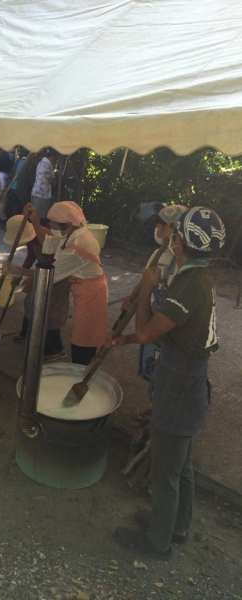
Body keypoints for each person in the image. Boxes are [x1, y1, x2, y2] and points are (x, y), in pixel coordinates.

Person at [111, 206, 226, 558]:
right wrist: (127, 340)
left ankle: (157, 542)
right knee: (182, 465)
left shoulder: (190, 285)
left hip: (179, 386)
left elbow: (146, 332)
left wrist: (145, 289)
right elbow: (167, 329)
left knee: (166, 472)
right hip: (186, 377)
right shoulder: (195, 276)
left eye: (174, 233)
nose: (169, 236)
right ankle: (177, 525)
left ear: (179, 242)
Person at [3, 201, 108, 365]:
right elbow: (49, 244)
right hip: (80, 286)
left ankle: (81, 371)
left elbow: (50, 274)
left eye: (54, 226)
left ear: (67, 225)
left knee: (84, 339)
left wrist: (20, 271)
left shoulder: (77, 246)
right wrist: (35, 220)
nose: (51, 228)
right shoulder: (71, 232)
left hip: (92, 294)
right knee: (82, 334)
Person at [112, 205, 187, 381]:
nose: (158, 230)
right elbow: (144, 281)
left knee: (169, 375)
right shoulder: (157, 253)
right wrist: (132, 297)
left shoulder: (183, 261)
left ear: (175, 228)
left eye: (162, 226)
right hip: (154, 316)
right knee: (152, 367)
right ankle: (154, 406)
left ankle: (162, 407)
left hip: (170, 322)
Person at [3, 215, 69, 361]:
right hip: (40, 273)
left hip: (57, 277)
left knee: (51, 313)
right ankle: (27, 332)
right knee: (31, 302)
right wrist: (18, 275)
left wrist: (31, 277)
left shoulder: (47, 237)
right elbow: (31, 256)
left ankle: (56, 349)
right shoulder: (30, 239)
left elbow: (52, 266)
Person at [30, 149, 57, 219]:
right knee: (40, 217)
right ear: (52, 157)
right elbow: (50, 179)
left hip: (35, 191)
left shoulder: (40, 163)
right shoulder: (48, 165)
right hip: (42, 194)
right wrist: (54, 182)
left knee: (34, 216)